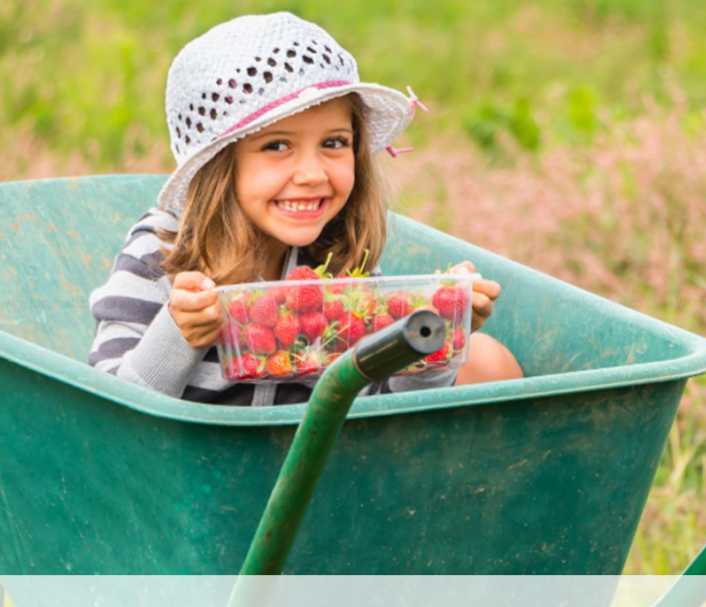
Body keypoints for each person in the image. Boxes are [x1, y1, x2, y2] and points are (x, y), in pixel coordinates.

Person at [87, 12, 522, 405]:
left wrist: (431, 339)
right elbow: (113, 410)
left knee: (486, 360)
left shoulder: (336, 258)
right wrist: (178, 334)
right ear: (219, 167)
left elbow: (375, 404)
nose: (312, 174)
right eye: (277, 146)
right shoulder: (165, 254)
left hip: (310, 460)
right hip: (189, 460)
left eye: (334, 142)